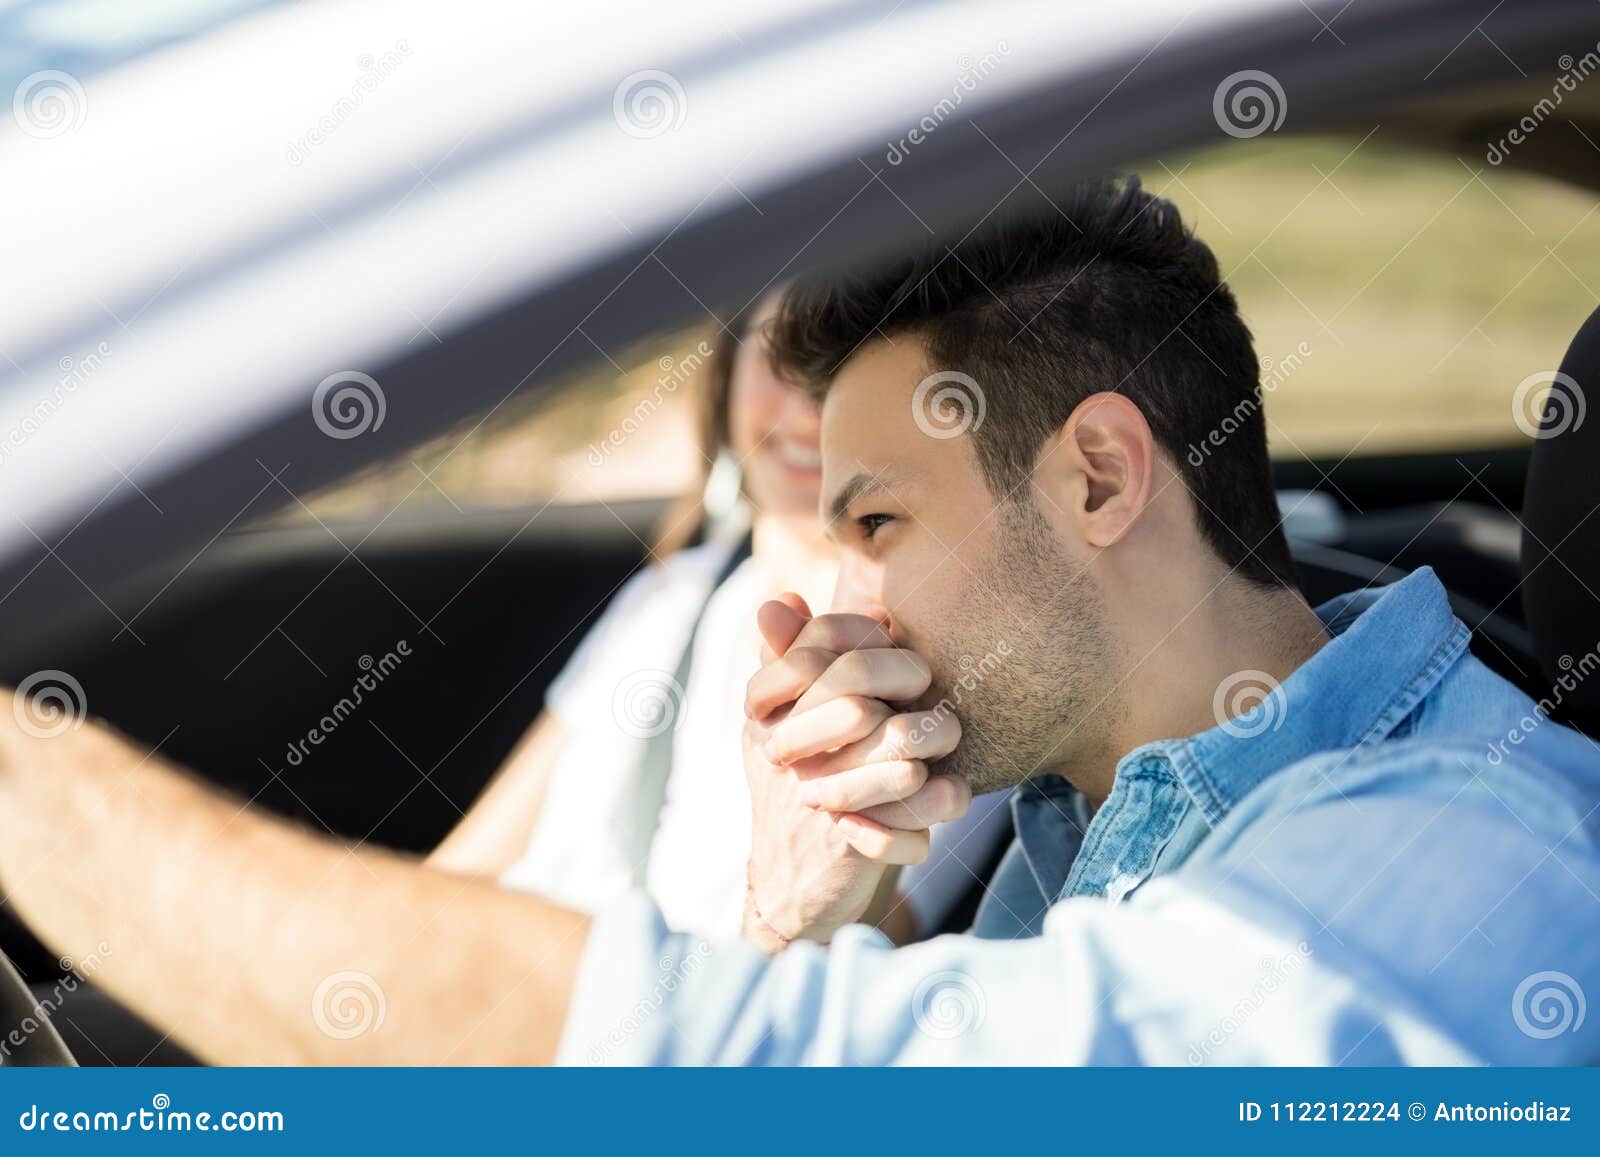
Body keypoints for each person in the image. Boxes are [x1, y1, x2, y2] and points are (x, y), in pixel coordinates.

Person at [2, 177, 1597, 1065]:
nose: (829, 601)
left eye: (879, 523)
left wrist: (30, 794)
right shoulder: (1096, 812)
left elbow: (748, 1082)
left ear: (1102, 476)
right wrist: (808, 909)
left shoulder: (1446, 868)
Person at [427, 291, 1011, 942]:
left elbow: (850, 957)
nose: (806, 403)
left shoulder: (940, 671)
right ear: (726, 371)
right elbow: (465, 865)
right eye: (781, 354)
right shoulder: (675, 594)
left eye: (843, 364)